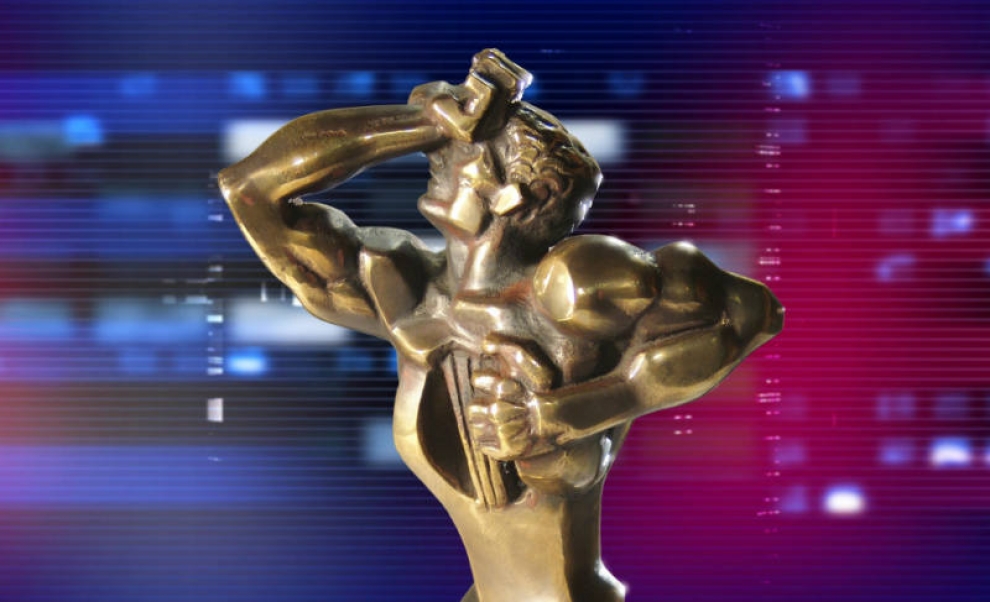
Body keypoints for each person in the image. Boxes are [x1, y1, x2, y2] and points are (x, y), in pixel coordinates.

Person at [219, 49, 782, 602]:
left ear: (522, 195)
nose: (441, 153)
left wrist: (566, 413)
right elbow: (251, 189)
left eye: (466, 147)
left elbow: (749, 313)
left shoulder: (578, 296)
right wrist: (424, 122)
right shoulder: (406, 293)